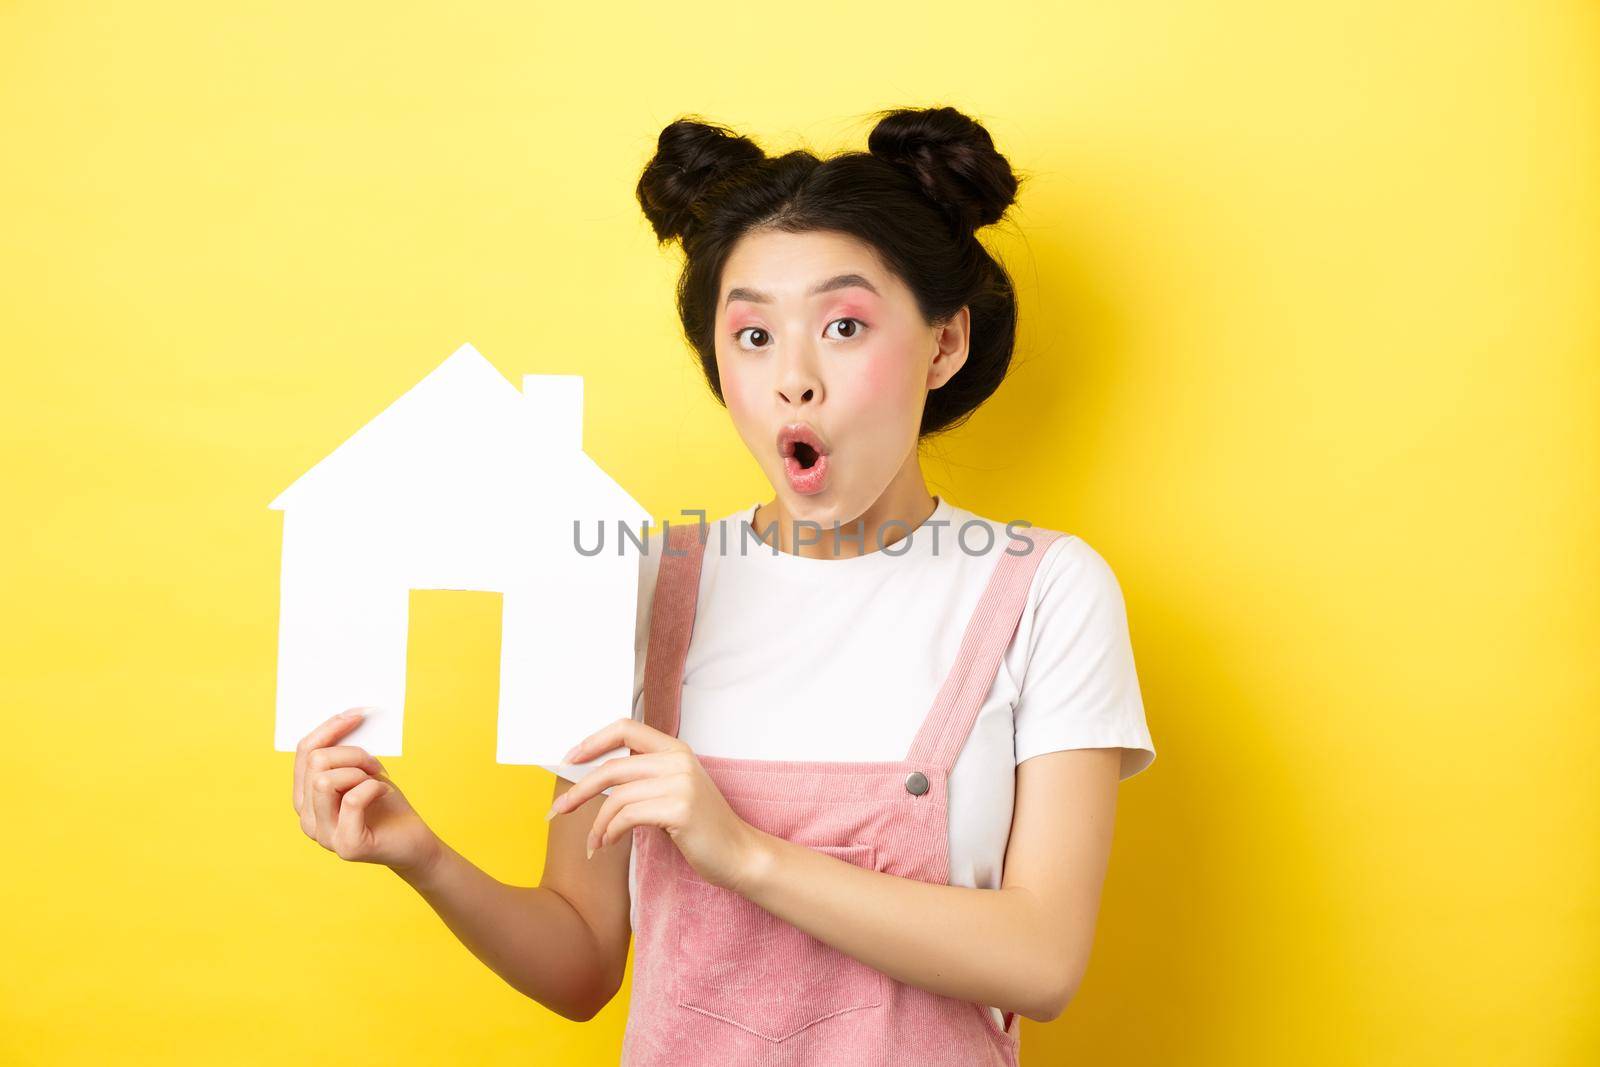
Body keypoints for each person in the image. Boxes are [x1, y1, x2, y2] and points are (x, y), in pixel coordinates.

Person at [290, 105, 1156, 1066]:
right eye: (752, 336)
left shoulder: (1045, 593)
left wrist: (738, 849)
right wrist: (421, 856)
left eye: (843, 325)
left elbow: (1040, 959)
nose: (794, 378)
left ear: (944, 344)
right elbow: (581, 962)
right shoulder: (635, 580)